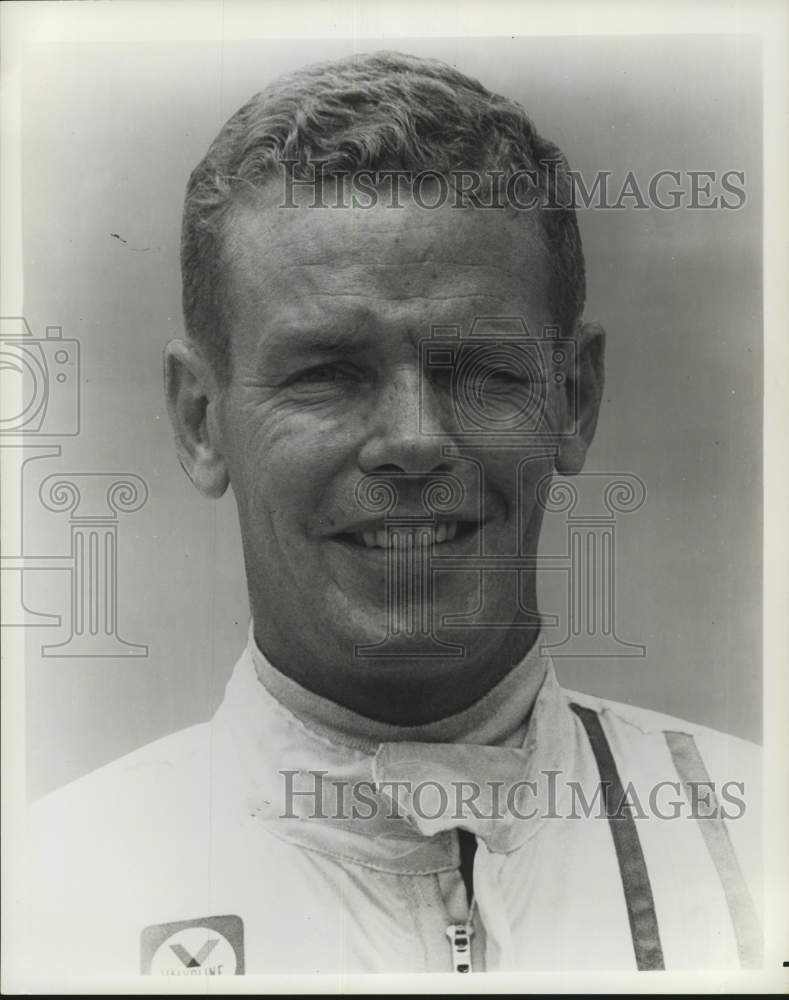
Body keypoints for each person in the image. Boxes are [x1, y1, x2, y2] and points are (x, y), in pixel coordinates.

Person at [24, 51, 760, 979]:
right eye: (327, 374)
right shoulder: (42, 897)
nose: (413, 441)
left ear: (572, 400)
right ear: (199, 420)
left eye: (479, 371)